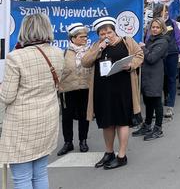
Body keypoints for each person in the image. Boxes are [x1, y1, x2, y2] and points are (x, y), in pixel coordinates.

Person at [0, 14, 64, 188]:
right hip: (47, 118)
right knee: (40, 173)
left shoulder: (16, 57)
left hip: (22, 124)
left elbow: (7, 96)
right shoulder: (58, 53)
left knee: (21, 178)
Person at [82, 16, 144, 169]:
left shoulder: (127, 41)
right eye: (102, 34)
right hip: (103, 89)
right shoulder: (97, 45)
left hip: (123, 88)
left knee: (122, 121)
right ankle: (109, 152)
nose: (106, 36)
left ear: (114, 31)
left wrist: (131, 65)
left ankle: (121, 155)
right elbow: (85, 62)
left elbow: (139, 55)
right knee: (107, 123)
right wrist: (99, 48)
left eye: (109, 32)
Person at [57, 23, 92, 156]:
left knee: (84, 116)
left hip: (85, 88)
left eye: (86, 36)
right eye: (82, 36)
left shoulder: (89, 51)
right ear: (73, 38)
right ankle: (68, 142)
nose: (85, 39)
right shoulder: (64, 53)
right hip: (67, 89)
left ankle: (83, 141)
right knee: (67, 117)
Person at [133, 19, 169, 141]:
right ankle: (147, 125)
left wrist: (143, 48)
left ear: (162, 29)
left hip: (155, 75)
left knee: (156, 102)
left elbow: (152, 58)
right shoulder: (150, 39)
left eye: (157, 27)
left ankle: (158, 129)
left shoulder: (162, 42)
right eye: (153, 27)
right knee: (147, 101)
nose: (154, 29)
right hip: (146, 75)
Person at [153, 3, 180, 119]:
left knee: (171, 79)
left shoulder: (173, 23)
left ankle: (170, 106)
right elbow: (148, 38)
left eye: (166, 11)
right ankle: (158, 105)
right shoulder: (154, 24)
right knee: (160, 80)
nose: (165, 13)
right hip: (158, 56)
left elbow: (178, 39)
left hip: (171, 54)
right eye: (162, 11)